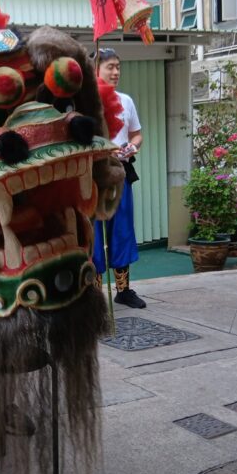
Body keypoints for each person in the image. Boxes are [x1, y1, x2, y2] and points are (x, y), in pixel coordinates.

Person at [93, 48, 146, 308]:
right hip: (93, 177)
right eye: (109, 67)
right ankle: (93, 293)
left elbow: (136, 134)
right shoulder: (87, 103)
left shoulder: (125, 101)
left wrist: (132, 146)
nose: (115, 72)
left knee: (122, 230)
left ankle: (123, 291)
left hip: (120, 173)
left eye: (118, 67)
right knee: (93, 234)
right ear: (96, 69)